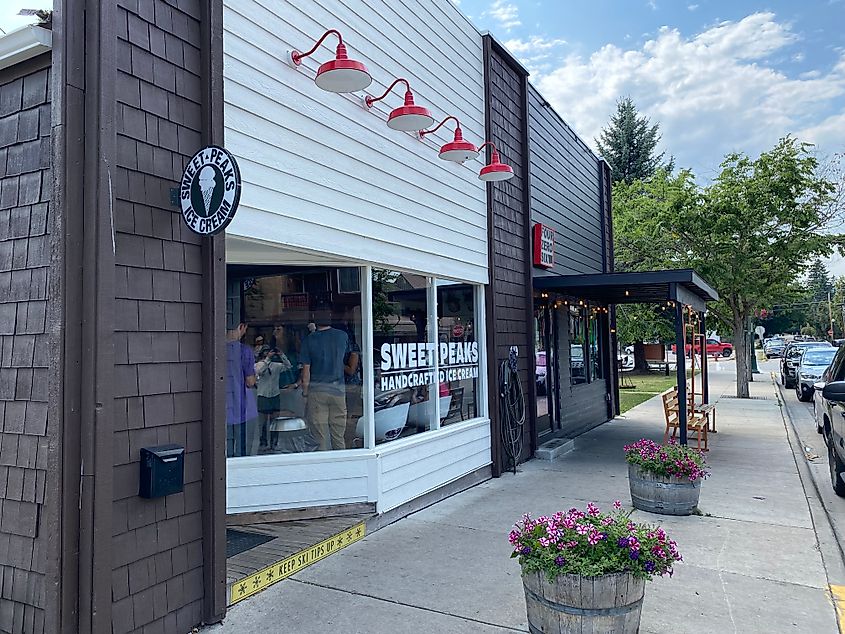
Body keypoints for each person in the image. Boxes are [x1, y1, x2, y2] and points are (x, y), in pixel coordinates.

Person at [301, 309, 349, 450]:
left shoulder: (309, 340)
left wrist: (305, 394)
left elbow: (306, 372)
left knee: (320, 438)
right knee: (338, 437)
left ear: (315, 320)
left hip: (318, 391)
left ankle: (324, 470)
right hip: (338, 390)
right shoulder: (342, 336)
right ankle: (341, 468)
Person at [226, 322, 259, 457]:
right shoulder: (245, 351)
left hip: (223, 405)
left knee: (225, 444)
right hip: (242, 404)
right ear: (241, 327)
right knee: (242, 444)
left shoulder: (216, 349)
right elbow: (250, 381)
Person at [255, 346, 292, 449]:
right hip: (263, 395)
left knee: (274, 421)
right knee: (262, 422)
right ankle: (263, 442)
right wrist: (267, 360)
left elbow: (288, 366)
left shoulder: (276, 366)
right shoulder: (258, 364)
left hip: (274, 395)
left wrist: (282, 355)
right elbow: (259, 372)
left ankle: (274, 443)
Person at [343, 332, 363, 448]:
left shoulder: (353, 347)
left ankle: (348, 442)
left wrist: (337, 363)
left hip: (351, 386)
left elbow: (351, 370)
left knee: (348, 417)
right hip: (340, 385)